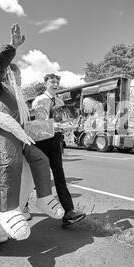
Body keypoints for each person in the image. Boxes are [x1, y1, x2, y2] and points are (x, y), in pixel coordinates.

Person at [0, 24, 65, 237]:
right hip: (4, 132)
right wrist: (12, 46)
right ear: (7, 76)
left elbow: (28, 125)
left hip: (21, 134)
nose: (20, 81)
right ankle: (8, 209)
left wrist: (55, 127)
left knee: (41, 160)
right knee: (10, 161)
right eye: (16, 77)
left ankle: (44, 197)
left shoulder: (18, 97)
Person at [31, 73, 86, 227]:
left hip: (55, 141)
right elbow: (39, 124)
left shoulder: (60, 101)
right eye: (52, 82)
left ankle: (69, 212)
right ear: (45, 84)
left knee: (59, 176)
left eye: (57, 82)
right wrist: (58, 126)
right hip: (41, 142)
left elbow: (62, 121)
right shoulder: (40, 100)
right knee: (33, 178)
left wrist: (69, 126)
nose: (55, 84)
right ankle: (23, 206)